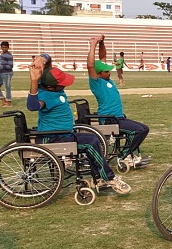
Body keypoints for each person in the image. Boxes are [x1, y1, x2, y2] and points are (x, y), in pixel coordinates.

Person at [27, 54, 130, 194]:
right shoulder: (45, 95)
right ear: (52, 86)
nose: (64, 84)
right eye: (62, 82)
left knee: (92, 140)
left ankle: (99, 177)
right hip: (53, 137)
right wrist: (33, 81)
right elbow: (32, 106)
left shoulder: (50, 85)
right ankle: (108, 178)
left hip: (63, 134)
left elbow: (47, 65)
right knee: (91, 142)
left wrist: (42, 58)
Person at [86, 35, 150, 167]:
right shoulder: (97, 84)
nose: (109, 73)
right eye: (106, 72)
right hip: (109, 119)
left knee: (144, 129)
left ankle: (127, 154)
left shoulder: (106, 79)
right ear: (98, 74)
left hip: (118, 118)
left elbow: (102, 57)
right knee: (138, 131)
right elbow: (90, 66)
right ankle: (124, 156)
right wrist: (92, 46)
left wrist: (101, 43)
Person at [0, 41, 13, 107]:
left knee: (7, 87)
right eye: (3, 47)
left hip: (7, 73)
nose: (4, 48)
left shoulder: (9, 55)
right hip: (1, 73)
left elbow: (10, 66)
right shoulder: (2, 55)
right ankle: (3, 99)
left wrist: (1, 67)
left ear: (8, 48)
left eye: (5, 47)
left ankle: (9, 102)